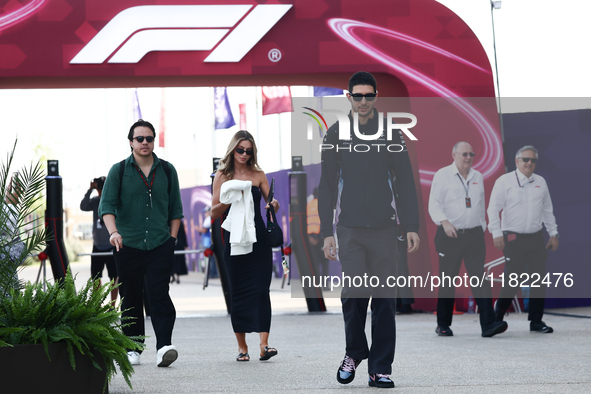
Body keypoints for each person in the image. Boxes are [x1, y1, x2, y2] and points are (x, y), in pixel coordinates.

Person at [318, 71, 420, 389]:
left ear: (376, 97)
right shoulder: (335, 134)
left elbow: (404, 181)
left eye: (369, 95)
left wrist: (412, 225)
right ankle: (355, 352)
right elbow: (326, 186)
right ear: (349, 97)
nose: (363, 101)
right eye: (357, 95)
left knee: (385, 300)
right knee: (353, 295)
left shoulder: (391, 133)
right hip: (348, 228)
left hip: (384, 229)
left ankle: (380, 368)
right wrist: (326, 231)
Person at [98, 119, 183, 367]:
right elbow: (107, 207)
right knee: (130, 295)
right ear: (131, 142)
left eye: (149, 138)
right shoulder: (118, 170)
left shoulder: (168, 170)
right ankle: (133, 347)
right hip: (127, 245)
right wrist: (113, 233)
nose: (145, 143)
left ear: (154, 141)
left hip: (160, 244)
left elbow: (175, 210)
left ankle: (164, 345)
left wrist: (172, 240)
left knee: (158, 293)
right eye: (140, 139)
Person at [211, 130, 279, 362]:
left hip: (258, 236)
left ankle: (264, 345)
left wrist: (274, 205)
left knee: (261, 290)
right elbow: (213, 211)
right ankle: (242, 347)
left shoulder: (258, 174)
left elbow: (271, 202)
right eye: (240, 150)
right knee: (238, 291)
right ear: (232, 150)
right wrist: (229, 197)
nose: (244, 154)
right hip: (233, 238)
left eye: (248, 151)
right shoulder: (222, 175)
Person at [428, 142, 508, 337]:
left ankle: (488, 324)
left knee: (480, 279)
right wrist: (445, 222)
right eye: (464, 154)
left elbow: (479, 205)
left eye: (471, 154)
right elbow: (434, 205)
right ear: (454, 154)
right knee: (448, 280)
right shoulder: (442, 175)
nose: (468, 157)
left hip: (473, 236)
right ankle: (443, 325)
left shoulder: (477, 176)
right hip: (450, 235)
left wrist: (481, 226)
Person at [487, 145, 558, 334]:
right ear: (517, 161)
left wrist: (553, 234)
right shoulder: (505, 181)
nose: (529, 163)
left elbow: (547, 211)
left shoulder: (540, 182)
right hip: (513, 238)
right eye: (525, 159)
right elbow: (493, 209)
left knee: (538, 280)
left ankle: (536, 321)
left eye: (533, 160)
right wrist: (496, 233)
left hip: (535, 238)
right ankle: (497, 316)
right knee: (512, 279)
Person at [80, 176, 118, 303]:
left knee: (114, 277)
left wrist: (109, 186)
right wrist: (90, 190)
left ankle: (112, 306)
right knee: (96, 277)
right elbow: (83, 206)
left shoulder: (113, 200)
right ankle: (98, 304)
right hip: (97, 246)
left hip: (112, 245)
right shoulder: (95, 201)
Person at [307, 187, 329, 281]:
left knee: (314, 262)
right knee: (324, 262)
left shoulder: (308, 205)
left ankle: (317, 284)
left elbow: (305, 222)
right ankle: (325, 284)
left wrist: (309, 237)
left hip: (311, 238)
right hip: (320, 238)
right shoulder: (323, 205)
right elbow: (324, 222)